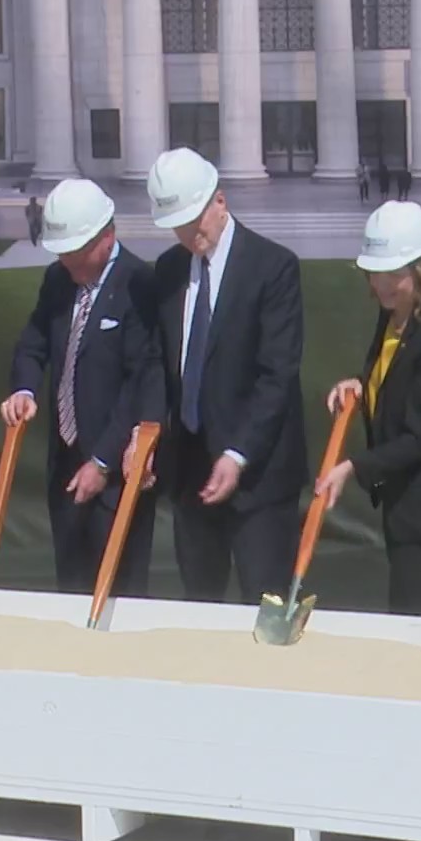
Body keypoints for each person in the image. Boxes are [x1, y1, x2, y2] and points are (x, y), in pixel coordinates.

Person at [137, 147, 308, 604]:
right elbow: (159, 360)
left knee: (265, 604)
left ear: (220, 201)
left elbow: (277, 375)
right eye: (178, 224)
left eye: (196, 219)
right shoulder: (170, 270)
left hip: (259, 479)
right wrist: (149, 430)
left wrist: (237, 454)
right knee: (201, 604)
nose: (191, 233)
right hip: (191, 471)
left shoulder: (273, 269)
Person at [3, 179, 164, 596]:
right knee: (71, 587)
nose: (68, 263)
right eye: (63, 253)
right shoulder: (58, 280)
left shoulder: (140, 286)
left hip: (116, 474)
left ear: (107, 236)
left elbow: (141, 380)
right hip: (65, 466)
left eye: (76, 253)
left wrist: (102, 461)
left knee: (119, 592)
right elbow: (33, 341)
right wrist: (24, 389)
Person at [315, 202, 421, 616]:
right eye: (375, 273)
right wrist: (361, 385)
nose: (381, 285)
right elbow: (391, 382)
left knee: (419, 618)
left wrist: (351, 468)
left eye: (394, 275)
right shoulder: (394, 317)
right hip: (404, 504)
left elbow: (420, 433)